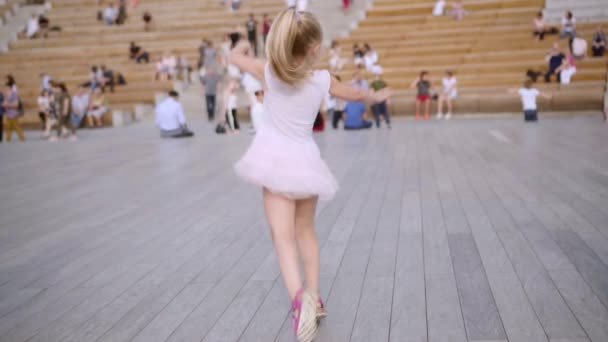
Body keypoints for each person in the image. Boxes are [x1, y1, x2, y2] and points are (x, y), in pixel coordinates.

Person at [228, 9, 391, 342]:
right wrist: (377, 95)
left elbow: (233, 58)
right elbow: (358, 94)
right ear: (315, 47)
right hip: (306, 161)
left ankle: (299, 300)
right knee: (306, 232)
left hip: (272, 161)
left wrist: (242, 45)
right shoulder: (322, 79)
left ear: (278, 41)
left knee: (281, 235)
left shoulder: (267, 71)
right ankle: (314, 296)